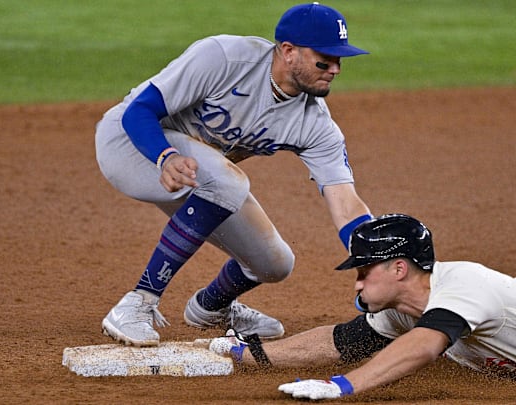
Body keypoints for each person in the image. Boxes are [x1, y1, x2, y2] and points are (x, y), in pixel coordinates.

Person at [94, 3, 373, 347]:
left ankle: (211, 308)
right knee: (228, 181)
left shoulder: (315, 126)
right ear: (288, 51)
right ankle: (138, 304)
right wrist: (164, 157)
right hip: (131, 145)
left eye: (339, 61)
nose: (335, 69)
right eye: (324, 60)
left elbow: (345, 201)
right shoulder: (224, 58)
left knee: (275, 263)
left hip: (199, 177)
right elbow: (139, 111)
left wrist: (376, 257)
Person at [207, 214, 516, 400]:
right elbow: (340, 342)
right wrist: (244, 354)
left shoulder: (462, 284)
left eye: (364, 269)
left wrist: (345, 387)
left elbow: (426, 345)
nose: (356, 279)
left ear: (399, 268)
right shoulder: (399, 310)